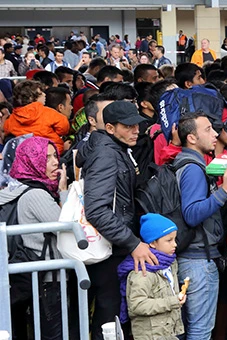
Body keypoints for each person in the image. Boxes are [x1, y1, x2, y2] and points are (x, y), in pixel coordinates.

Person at [79, 101, 153, 339]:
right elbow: (97, 210)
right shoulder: (106, 153)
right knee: (108, 318)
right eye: (128, 126)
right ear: (110, 128)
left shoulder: (114, 148)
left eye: (137, 125)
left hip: (113, 245)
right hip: (109, 247)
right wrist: (132, 243)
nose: (136, 130)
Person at [172, 111, 227, 340]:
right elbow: (191, 214)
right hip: (197, 261)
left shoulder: (189, 163)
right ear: (191, 138)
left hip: (195, 259)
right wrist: (225, 191)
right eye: (208, 130)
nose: (215, 134)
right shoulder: (192, 168)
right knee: (200, 331)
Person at [0, 136, 68, 339]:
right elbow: (64, 228)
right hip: (47, 279)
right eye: (46, 158)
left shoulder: (12, 190)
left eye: (55, 155)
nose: (56, 161)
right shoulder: (37, 195)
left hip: (25, 278)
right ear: (32, 161)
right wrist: (64, 192)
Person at [120, 214, 186, 340]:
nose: (175, 244)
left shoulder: (170, 263)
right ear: (152, 243)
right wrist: (173, 302)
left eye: (175, 239)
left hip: (168, 332)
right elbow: (137, 305)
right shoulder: (142, 272)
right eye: (169, 240)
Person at [4, 80, 70, 153]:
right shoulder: (47, 112)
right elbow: (64, 127)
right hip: (51, 152)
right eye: (41, 93)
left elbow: (6, 131)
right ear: (31, 98)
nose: (44, 95)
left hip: (26, 154)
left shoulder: (12, 118)